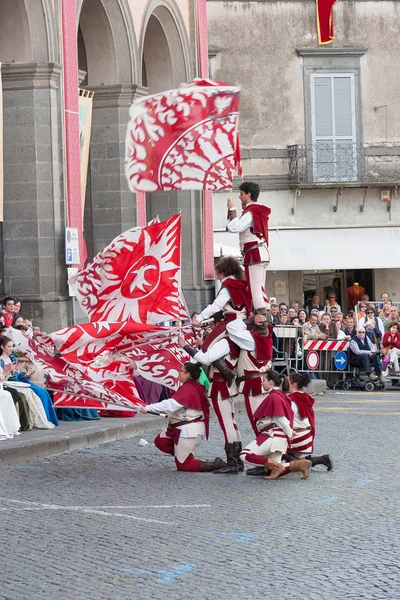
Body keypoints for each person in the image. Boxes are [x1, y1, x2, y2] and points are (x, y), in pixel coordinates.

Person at [138, 362, 226, 472]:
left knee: (184, 465)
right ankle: (185, 453)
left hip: (188, 430)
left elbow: (172, 404)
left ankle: (214, 464)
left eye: (181, 371)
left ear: (188, 374)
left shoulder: (189, 388)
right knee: (161, 441)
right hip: (179, 427)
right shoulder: (191, 386)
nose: (178, 373)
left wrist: (149, 408)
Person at [179, 328, 242, 474]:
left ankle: (233, 462)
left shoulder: (226, 342)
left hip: (221, 386)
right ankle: (236, 460)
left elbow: (206, 359)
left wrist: (185, 346)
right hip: (223, 385)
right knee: (231, 422)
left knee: (227, 424)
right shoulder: (232, 342)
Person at [239, 370, 311, 480]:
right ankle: (300, 465)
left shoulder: (275, 396)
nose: (262, 383)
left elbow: (280, 417)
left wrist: (289, 432)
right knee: (273, 470)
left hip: (273, 435)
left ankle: (279, 465)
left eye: (264, 380)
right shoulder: (280, 395)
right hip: (279, 438)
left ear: (271, 382)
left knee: (244, 454)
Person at [192, 256, 252, 382]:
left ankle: (228, 374)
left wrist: (200, 318)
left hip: (231, 323)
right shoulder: (241, 285)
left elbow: (216, 306)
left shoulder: (228, 286)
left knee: (205, 348)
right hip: (240, 322)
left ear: (223, 272)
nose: (217, 277)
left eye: (217, 273)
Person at [226, 181, 271, 315]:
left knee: (255, 289)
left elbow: (235, 227)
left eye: (241, 193)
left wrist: (232, 210)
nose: (240, 196)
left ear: (248, 194)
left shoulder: (252, 212)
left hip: (254, 253)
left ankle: (262, 322)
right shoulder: (256, 211)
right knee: (260, 288)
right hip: (259, 252)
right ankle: (265, 316)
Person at [0, 336, 59, 426]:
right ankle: (40, 420)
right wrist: (13, 372)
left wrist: (26, 374)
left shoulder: (13, 358)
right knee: (37, 392)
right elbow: (6, 377)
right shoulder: (1, 361)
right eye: (9, 346)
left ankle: (48, 418)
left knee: (43, 391)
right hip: (10, 383)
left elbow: (18, 376)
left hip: (20, 382)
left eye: (12, 346)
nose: (11, 349)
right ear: (2, 347)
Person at [284, 372, 332, 470]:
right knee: (290, 459)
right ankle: (321, 459)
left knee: (277, 452)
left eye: (287, 381)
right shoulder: (304, 396)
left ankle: (320, 459)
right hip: (306, 435)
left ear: (294, 384)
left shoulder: (292, 400)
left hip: (298, 437)